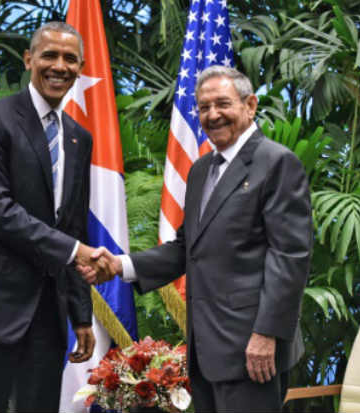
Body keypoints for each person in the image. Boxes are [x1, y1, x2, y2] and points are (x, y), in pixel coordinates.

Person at [79, 65, 312, 413]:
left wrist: (268, 335)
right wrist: (119, 265)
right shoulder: (202, 170)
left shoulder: (277, 163)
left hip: (253, 350)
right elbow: (189, 249)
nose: (213, 115)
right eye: (204, 107)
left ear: (250, 105)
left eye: (223, 104)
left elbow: (290, 257)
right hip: (206, 350)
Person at [0, 22, 110, 412]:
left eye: (70, 59)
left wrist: (81, 314)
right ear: (29, 59)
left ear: (80, 67)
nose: (59, 66)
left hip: (47, 312)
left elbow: (73, 225)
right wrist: (74, 249)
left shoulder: (79, 138)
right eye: (49, 55)